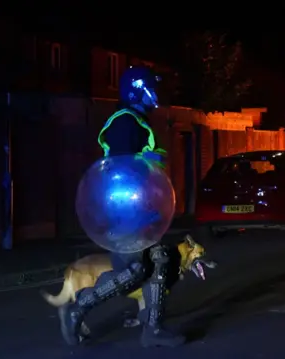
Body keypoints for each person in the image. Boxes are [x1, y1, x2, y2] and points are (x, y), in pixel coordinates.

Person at [58, 66, 216, 348]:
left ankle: (153, 329)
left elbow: (140, 163)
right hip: (125, 214)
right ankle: (79, 308)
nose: (156, 94)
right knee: (131, 272)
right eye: (152, 88)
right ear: (138, 90)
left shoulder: (136, 121)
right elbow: (122, 169)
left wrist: (152, 164)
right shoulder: (125, 122)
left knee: (160, 261)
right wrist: (147, 162)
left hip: (142, 211)